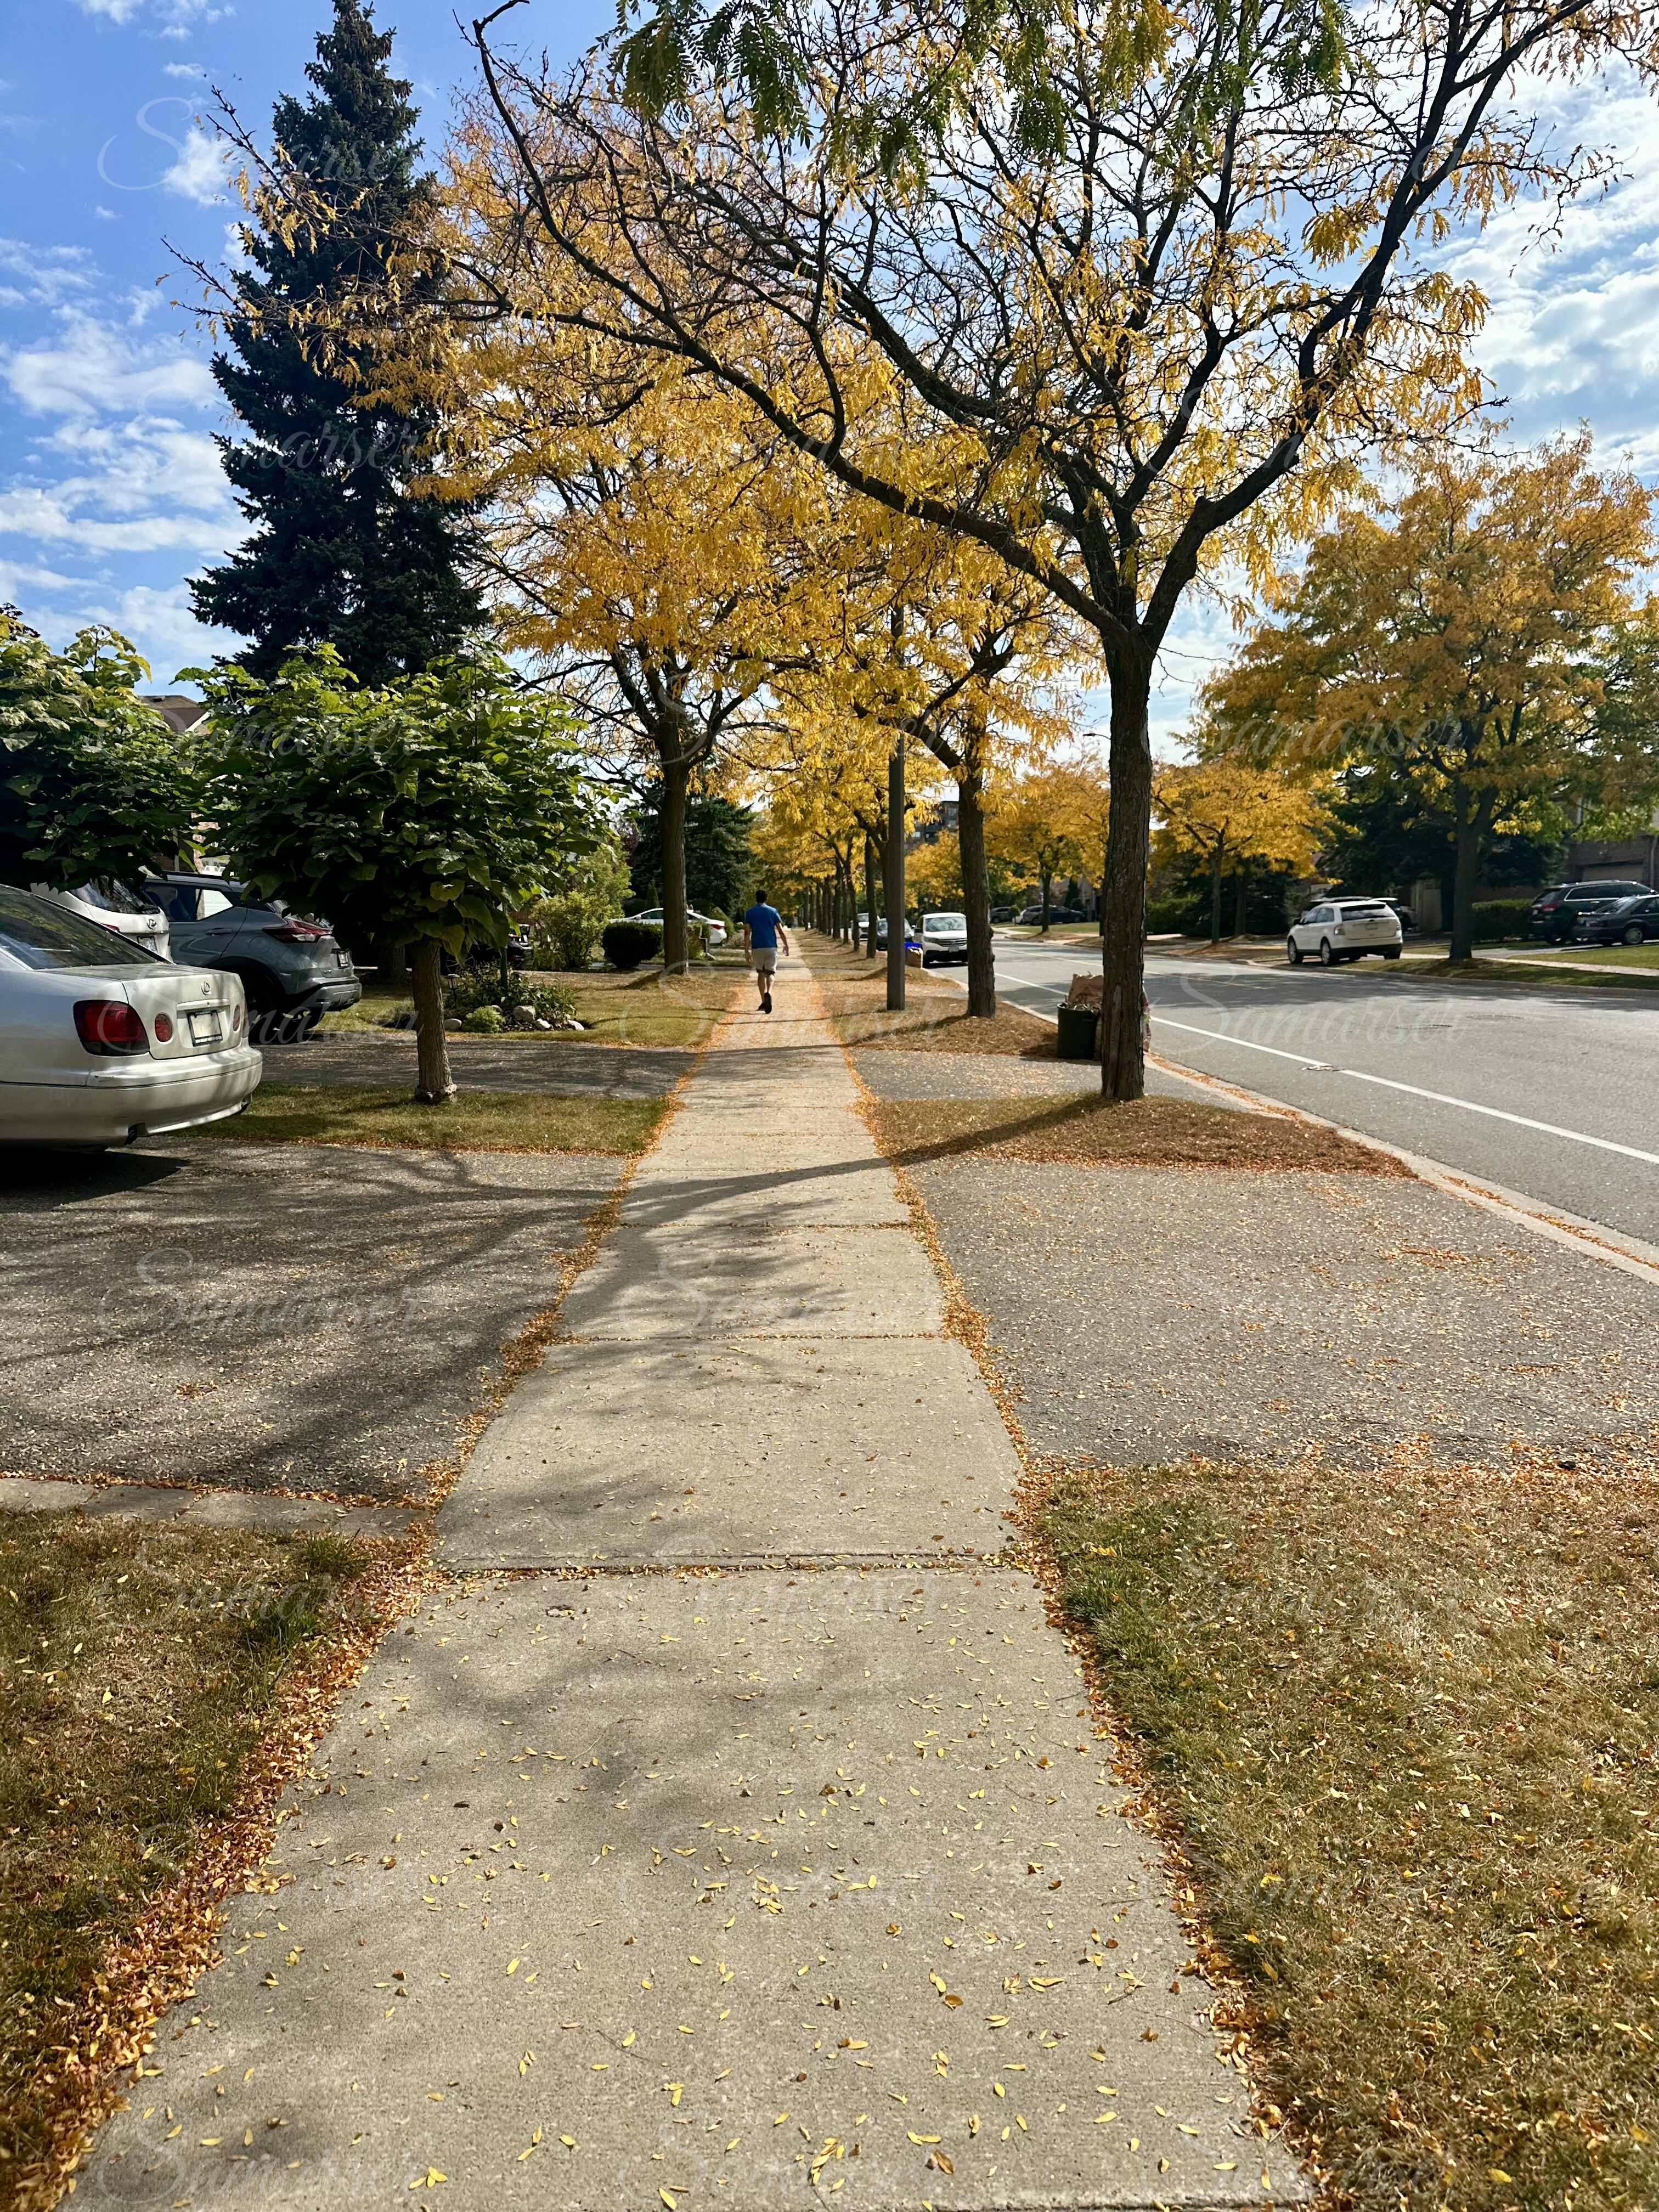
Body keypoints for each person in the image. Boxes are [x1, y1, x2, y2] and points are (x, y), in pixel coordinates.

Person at [741, 891, 789, 1014]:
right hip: (771, 947)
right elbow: (780, 930)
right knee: (771, 973)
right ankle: (769, 992)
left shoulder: (750, 912)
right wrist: (786, 945)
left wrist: (747, 951)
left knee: (761, 973)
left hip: (757, 947)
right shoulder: (773, 911)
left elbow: (747, 933)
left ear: (756, 899)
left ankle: (764, 1000)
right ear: (766, 898)